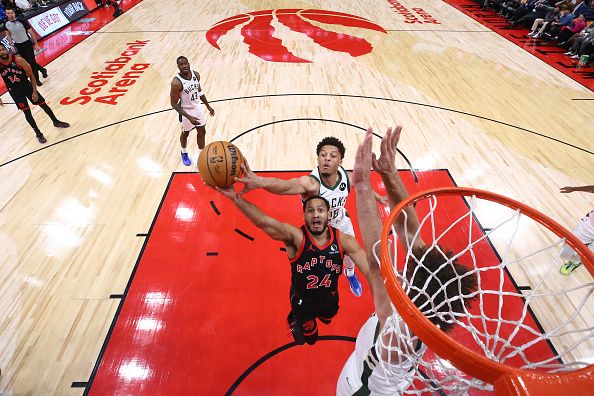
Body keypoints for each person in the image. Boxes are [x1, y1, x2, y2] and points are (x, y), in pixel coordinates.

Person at [336, 127, 478, 395]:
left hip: (360, 389)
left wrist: (363, 187)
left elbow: (377, 260)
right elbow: (410, 231)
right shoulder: (432, 309)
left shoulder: (399, 328)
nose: (407, 270)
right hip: (381, 373)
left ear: (414, 291)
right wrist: (389, 173)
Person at [211, 183, 369, 345]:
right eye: (310, 210)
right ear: (304, 216)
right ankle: (295, 318)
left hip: (329, 298)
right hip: (303, 302)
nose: (315, 214)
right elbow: (263, 221)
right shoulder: (296, 238)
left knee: (329, 316)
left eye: (320, 210)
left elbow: (370, 271)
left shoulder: (344, 241)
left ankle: (325, 310)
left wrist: (388, 290)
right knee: (310, 339)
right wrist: (235, 197)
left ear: (328, 215)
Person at [236, 136, 387, 297]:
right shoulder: (311, 184)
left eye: (332, 156)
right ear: (318, 158)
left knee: (350, 258)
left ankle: (350, 275)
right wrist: (260, 181)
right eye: (323, 155)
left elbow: (362, 183)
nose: (327, 159)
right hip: (319, 230)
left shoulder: (346, 177)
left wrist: (378, 197)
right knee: (318, 267)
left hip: (341, 223)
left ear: (340, 161)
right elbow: (284, 186)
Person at [0, 44, 69, 143]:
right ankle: (38, 133)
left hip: (26, 87)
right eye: (0, 50)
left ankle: (56, 121)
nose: (2, 52)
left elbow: (31, 75)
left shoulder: (18, 60)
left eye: (3, 49)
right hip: (15, 92)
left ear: (6, 49)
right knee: (27, 113)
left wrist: (35, 91)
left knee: (43, 105)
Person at [170, 56, 215, 167]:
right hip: (185, 112)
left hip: (197, 108)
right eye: (181, 64)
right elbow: (173, 104)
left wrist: (208, 106)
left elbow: (199, 92)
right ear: (178, 66)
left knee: (202, 132)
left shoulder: (196, 75)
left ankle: (201, 156)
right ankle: (184, 152)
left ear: (189, 63)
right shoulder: (176, 83)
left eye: (185, 63)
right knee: (186, 133)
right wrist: (189, 117)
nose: (184, 66)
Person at [3, 8, 47, 86]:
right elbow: (8, 34)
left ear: (14, 13)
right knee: (28, 62)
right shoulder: (6, 23)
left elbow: (31, 32)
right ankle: (42, 69)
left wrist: (36, 44)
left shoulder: (21, 21)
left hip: (27, 44)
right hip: (18, 45)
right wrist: (11, 45)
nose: (10, 15)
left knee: (32, 63)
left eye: (11, 13)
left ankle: (37, 80)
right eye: (8, 13)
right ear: (6, 14)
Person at [559, 185, 594, 275]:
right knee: (565, 252)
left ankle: (574, 263)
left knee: (586, 257)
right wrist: (574, 189)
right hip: (589, 226)